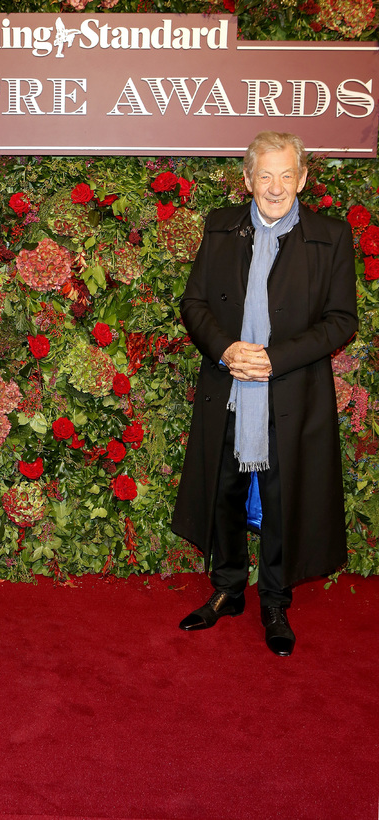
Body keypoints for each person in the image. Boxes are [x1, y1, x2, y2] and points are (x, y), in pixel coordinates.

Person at [172, 130, 358, 656]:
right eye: (264, 175)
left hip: (292, 393)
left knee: (283, 498)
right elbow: (195, 303)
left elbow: (342, 319)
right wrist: (227, 349)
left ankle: (274, 600)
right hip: (228, 386)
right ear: (248, 179)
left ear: (302, 178)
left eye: (286, 175)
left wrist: (276, 359)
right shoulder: (221, 228)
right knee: (223, 491)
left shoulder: (331, 236)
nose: (275, 187)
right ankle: (229, 589)